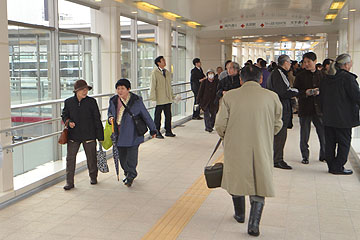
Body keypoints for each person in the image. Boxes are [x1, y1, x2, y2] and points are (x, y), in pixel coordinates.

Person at [215, 65, 283, 237]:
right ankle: (254, 224)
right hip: (262, 145)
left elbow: (220, 125)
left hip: (235, 146)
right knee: (259, 181)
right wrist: (265, 134)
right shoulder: (272, 97)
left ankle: (239, 214)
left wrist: (227, 138)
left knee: (236, 178)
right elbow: (278, 124)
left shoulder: (230, 96)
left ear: (240, 79)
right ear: (261, 79)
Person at [108, 79, 157, 186]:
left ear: (128, 89)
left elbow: (146, 115)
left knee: (131, 157)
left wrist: (153, 129)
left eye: (122, 88)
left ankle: (131, 175)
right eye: (118, 88)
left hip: (133, 133)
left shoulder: (136, 100)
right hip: (119, 134)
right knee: (122, 157)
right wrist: (110, 117)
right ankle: (127, 172)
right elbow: (110, 112)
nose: (120, 91)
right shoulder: (113, 100)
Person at [320, 54, 360, 175]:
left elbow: (321, 97)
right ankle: (338, 166)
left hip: (328, 116)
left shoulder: (326, 78)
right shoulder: (348, 78)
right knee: (344, 142)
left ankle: (331, 166)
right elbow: (356, 97)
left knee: (330, 142)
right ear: (346, 65)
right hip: (344, 118)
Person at [61, 79, 104, 190]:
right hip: (73, 135)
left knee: (91, 158)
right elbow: (64, 115)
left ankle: (93, 177)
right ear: (76, 91)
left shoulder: (91, 102)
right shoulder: (69, 102)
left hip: (89, 134)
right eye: (82, 90)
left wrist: (100, 136)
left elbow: (97, 119)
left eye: (86, 89)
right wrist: (68, 122)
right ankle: (69, 182)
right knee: (70, 159)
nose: (85, 92)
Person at [267, 55, 298, 170]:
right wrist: (297, 91)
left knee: (279, 134)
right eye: (289, 62)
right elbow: (284, 92)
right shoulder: (279, 73)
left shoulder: (277, 73)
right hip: (280, 108)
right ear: (284, 63)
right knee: (280, 134)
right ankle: (277, 160)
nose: (290, 64)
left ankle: (276, 158)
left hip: (278, 107)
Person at [294, 52, 325, 164]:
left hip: (319, 109)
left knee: (322, 133)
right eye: (305, 62)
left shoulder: (322, 75)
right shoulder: (300, 76)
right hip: (305, 108)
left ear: (315, 61)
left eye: (309, 62)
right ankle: (305, 156)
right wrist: (306, 92)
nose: (306, 64)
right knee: (304, 134)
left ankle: (324, 155)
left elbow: (327, 92)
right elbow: (296, 91)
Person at [150, 56, 176, 139]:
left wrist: (173, 96)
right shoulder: (154, 72)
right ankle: (157, 132)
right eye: (163, 60)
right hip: (159, 98)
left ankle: (168, 131)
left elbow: (169, 86)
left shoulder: (167, 72)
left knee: (168, 115)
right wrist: (153, 98)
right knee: (158, 117)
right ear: (158, 63)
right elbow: (152, 86)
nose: (165, 62)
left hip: (167, 98)